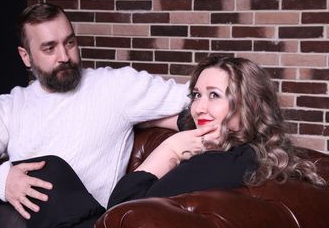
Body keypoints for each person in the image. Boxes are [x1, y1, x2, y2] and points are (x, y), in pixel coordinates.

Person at [0, 3, 190, 228]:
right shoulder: (8, 106)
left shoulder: (115, 86)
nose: (64, 56)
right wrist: (3, 180)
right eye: (49, 48)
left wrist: (181, 120)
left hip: (80, 224)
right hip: (16, 219)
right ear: (25, 56)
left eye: (70, 43)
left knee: (49, 170)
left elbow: (194, 97)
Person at [107, 56, 326, 208]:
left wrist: (171, 148)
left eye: (214, 95)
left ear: (252, 106)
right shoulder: (258, 152)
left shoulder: (214, 164)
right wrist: (149, 121)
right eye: (196, 95)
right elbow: (188, 118)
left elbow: (120, 211)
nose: (199, 107)